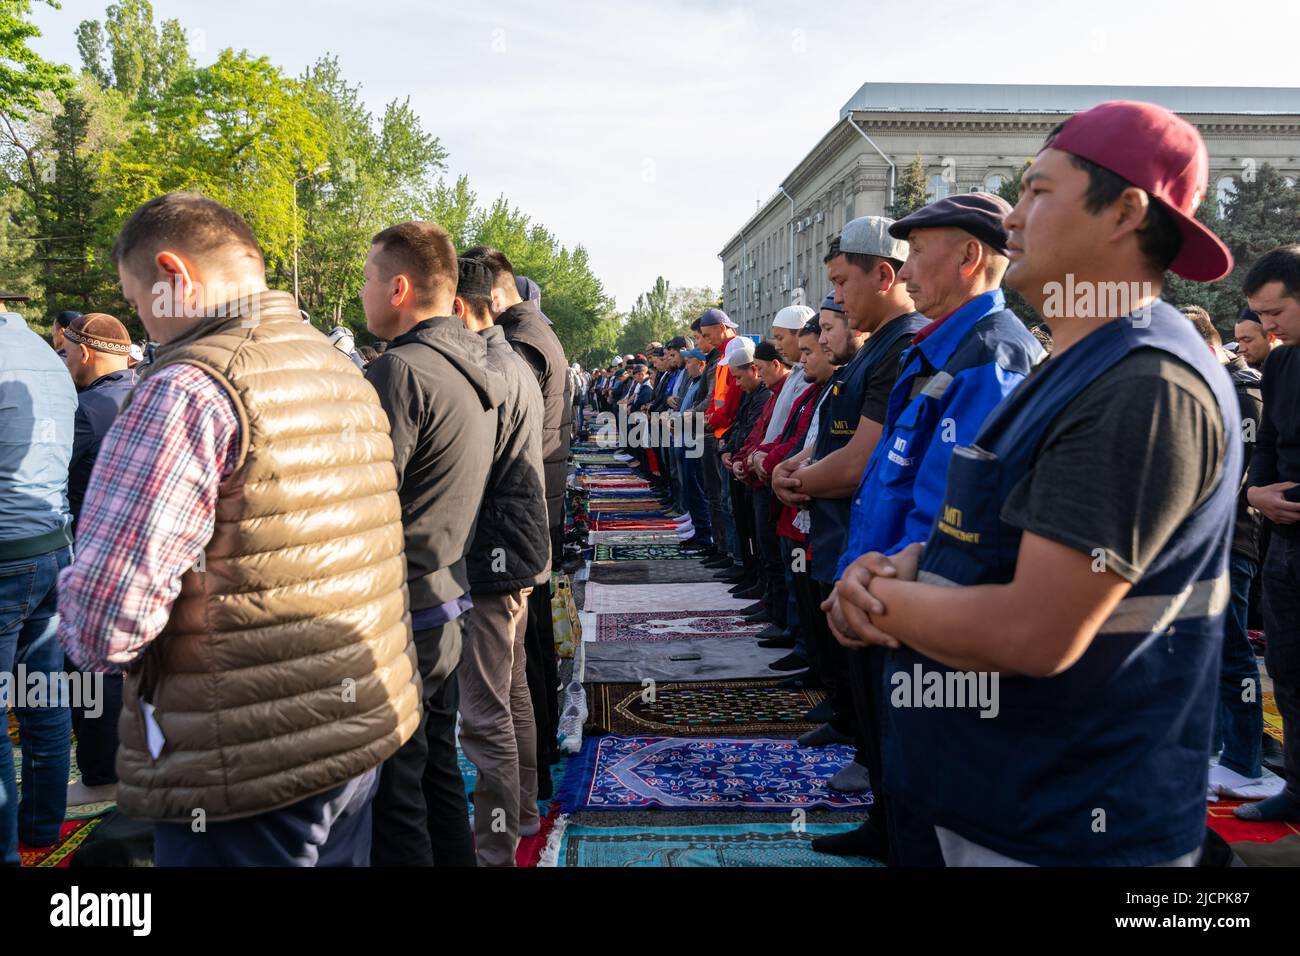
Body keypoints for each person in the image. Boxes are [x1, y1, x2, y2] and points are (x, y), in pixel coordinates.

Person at [834, 101, 1242, 866]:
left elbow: (1037, 631)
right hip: (1003, 796)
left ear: (1125, 211)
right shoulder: (1078, 362)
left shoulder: (1147, 386)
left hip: (1069, 821)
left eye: (1037, 192)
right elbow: (995, 540)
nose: (1011, 220)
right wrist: (908, 564)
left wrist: (876, 599)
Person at [58, 193, 419, 867]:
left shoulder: (186, 390)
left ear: (173, 274)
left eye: (138, 299)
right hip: (350, 732)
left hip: (242, 759)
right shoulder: (337, 367)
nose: (142, 320)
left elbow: (105, 625)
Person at [823, 193, 1045, 863]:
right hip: (887, 591)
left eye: (920, 250)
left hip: (919, 605)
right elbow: (895, 479)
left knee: (934, 795)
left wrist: (890, 589)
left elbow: (962, 510)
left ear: (970, 255)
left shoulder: (993, 352)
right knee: (899, 762)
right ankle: (888, 831)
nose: (908, 267)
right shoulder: (939, 348)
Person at [362, 222, 505, 866]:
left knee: (398, 792)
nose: (363, 294)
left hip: (406, 608)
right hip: (448, 594)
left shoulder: (400, 371)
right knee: (434, 771)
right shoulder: (476, 362)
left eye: (367, 281)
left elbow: (370, 502)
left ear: (398, 288)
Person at [461, 246, 572, 797]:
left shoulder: (519, 342)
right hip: (534, 500)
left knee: (518, 661)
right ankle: (533, 775)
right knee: (523, 657)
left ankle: (529, 782)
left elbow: (500, 425)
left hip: (521, 506)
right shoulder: (527, 333)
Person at [452, 257, 549, 866]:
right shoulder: (509, 358)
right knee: (510, 695)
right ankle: (524, 812)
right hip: (516, 550)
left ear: (460, 308)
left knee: (485, 711)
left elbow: (473, 473)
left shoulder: (488, 366)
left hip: (494, 556)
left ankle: (493, 848)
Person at [1181, 306, 1270, 799]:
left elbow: (1239, 476)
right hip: (1202, 540)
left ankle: (1243, 761)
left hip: (1231, 539)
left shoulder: (1243, 391)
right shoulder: (1211, 386)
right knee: (1209, 651)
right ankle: (1216, 753)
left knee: (1234, 654)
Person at [1, 291, 76, 867]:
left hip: (8, 552)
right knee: (44, 703)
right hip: (52, 546)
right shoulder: (48, 354)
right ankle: (41, 827)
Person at [60, 312, 136, 810]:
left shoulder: (85, 409)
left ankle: (103, 775)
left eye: (66, 354)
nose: (64, 363)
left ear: (84, 352)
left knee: (90, 666)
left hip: (101, 553)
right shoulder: (146, 390)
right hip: (153, 552)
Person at [1243, 243, 1300, 822]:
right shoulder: (1281, 364)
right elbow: (1267, 446)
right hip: (1284, 547)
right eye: (1260, 315)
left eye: (1276, 313)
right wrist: (1257, 493)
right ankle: (1297, 790)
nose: (1267, 326)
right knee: (1287, 670)